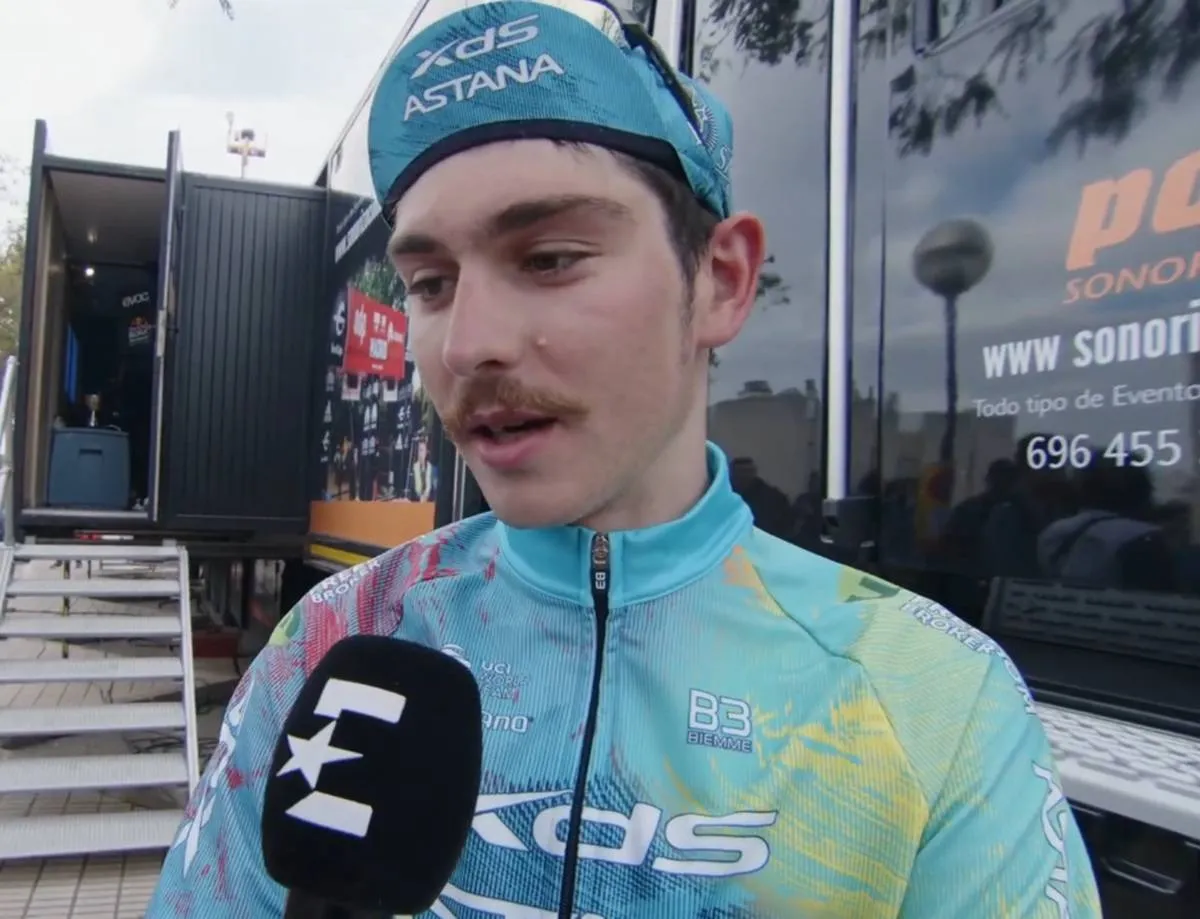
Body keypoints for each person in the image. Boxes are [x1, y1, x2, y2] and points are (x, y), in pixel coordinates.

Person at [148, 1, 1101, 916]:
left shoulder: (937, 699)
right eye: (431, 282)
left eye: (550, 259)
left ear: (721, 280)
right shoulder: (333, 639)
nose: (467, 344)